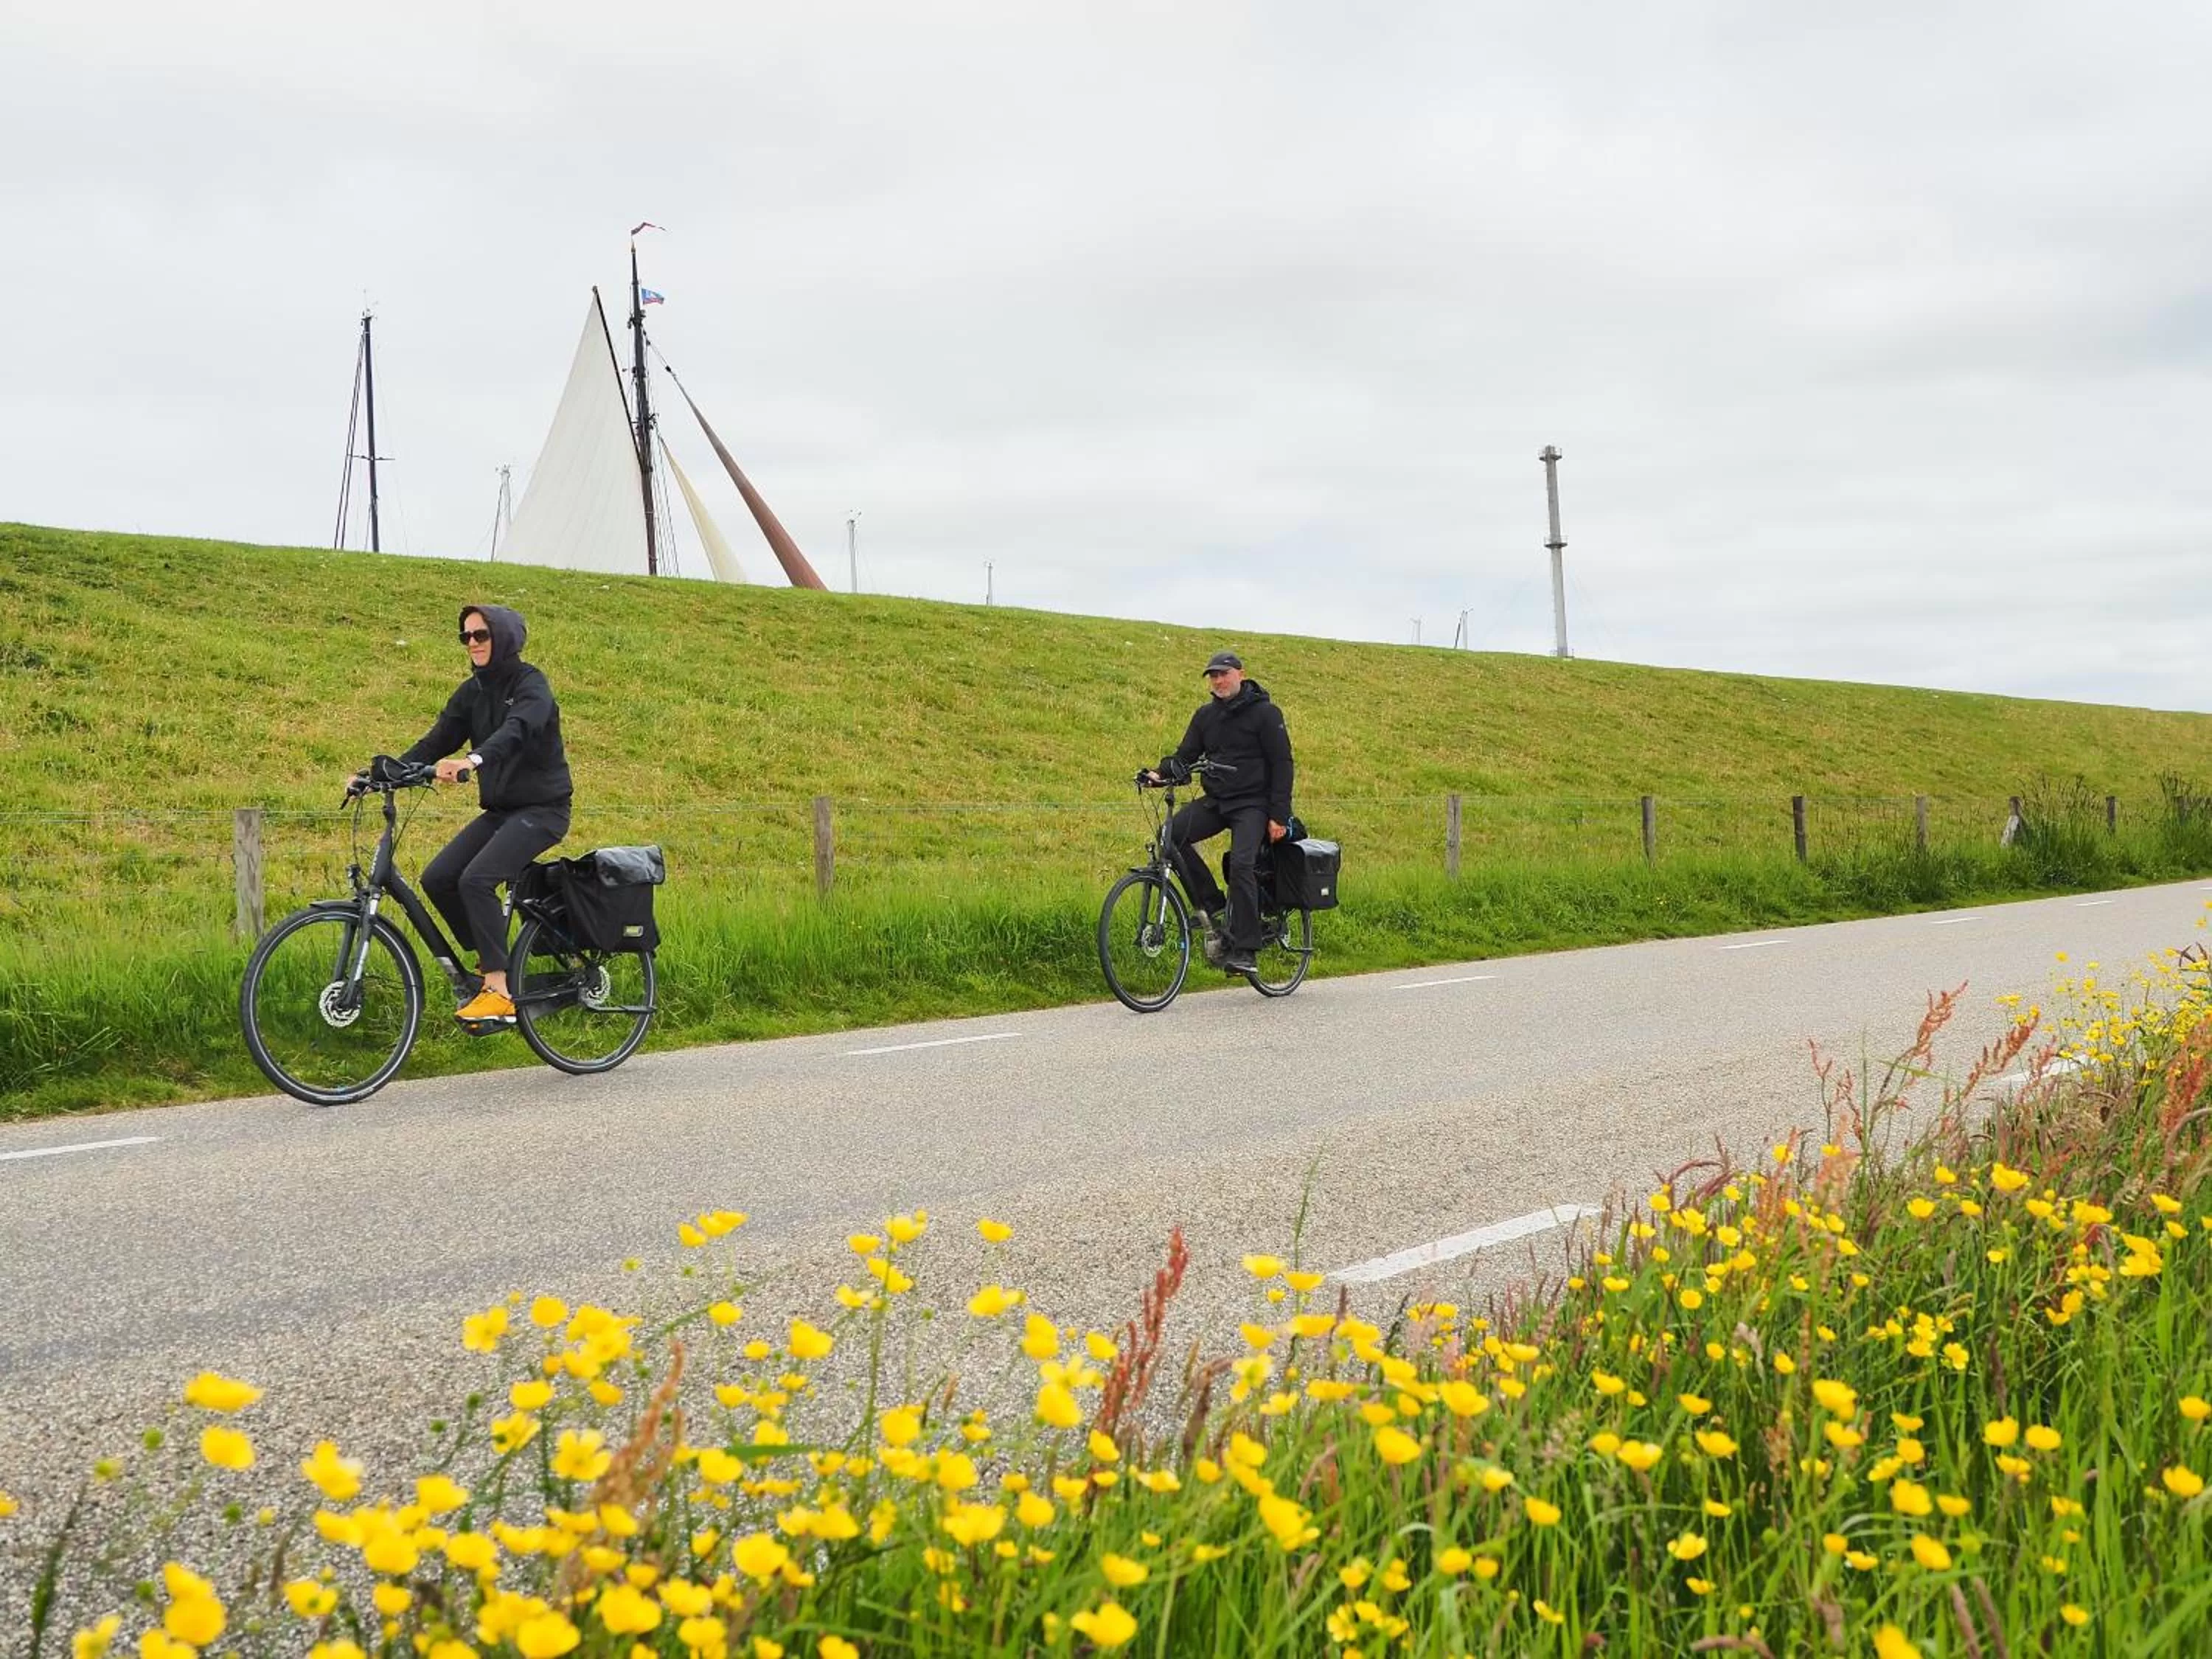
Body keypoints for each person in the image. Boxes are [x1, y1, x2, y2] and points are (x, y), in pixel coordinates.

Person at [392, 605, 573, 1027]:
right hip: (503, 810)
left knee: (476, 879)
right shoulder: (471, 692)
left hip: (543, 810)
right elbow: (435, 741)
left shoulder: (531, 684)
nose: (472, 643)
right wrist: (378, 775)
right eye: (466, 637)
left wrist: (473, 760)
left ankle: (498, 990)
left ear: (504, 637)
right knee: (438, 878)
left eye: (481, 635)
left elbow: (517, 730)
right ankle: (494, 962)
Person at [1147, 650, 1294, 975]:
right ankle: (1215, 907)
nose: (1218, 680)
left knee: (1242, 864)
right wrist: (1159, 775)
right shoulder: (1205, 716)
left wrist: (1279, 815)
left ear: (1240, 674)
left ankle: (1246, 949)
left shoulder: (1266, 714)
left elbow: (1282, 765)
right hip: (1218, 801)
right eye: (1213, 676)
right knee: (1170, 836)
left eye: (1223, 674)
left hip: (1253, 804)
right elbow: (1184, 758)